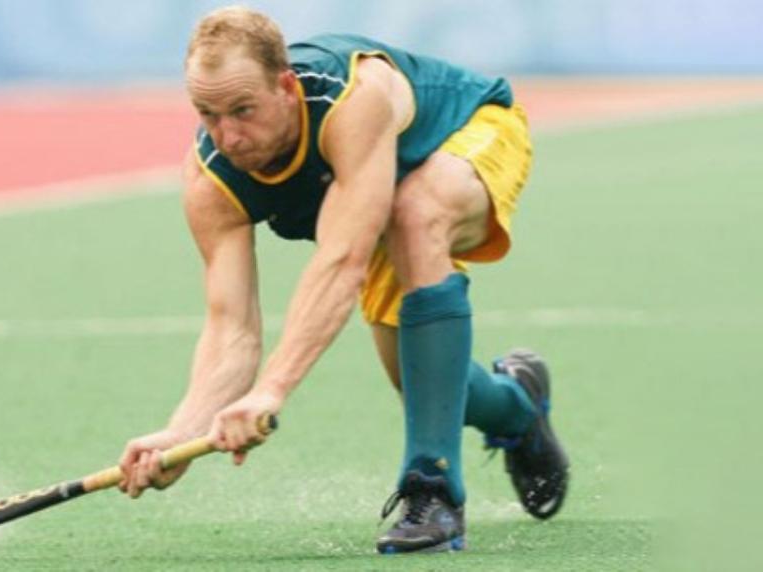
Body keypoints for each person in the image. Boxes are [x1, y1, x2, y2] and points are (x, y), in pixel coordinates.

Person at [118, 5, 569, 554]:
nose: (228, 136)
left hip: (470, 133)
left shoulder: (353, 99)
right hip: (377, 203)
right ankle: (518, 407)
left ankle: (433, 488)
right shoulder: (212, 182)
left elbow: (342, 259)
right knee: (423, 377)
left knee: (415, 213)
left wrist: (271, 390)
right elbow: (232, 330)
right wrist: (182, 432)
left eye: (243, 109)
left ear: (286, 86)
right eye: (207, 113)